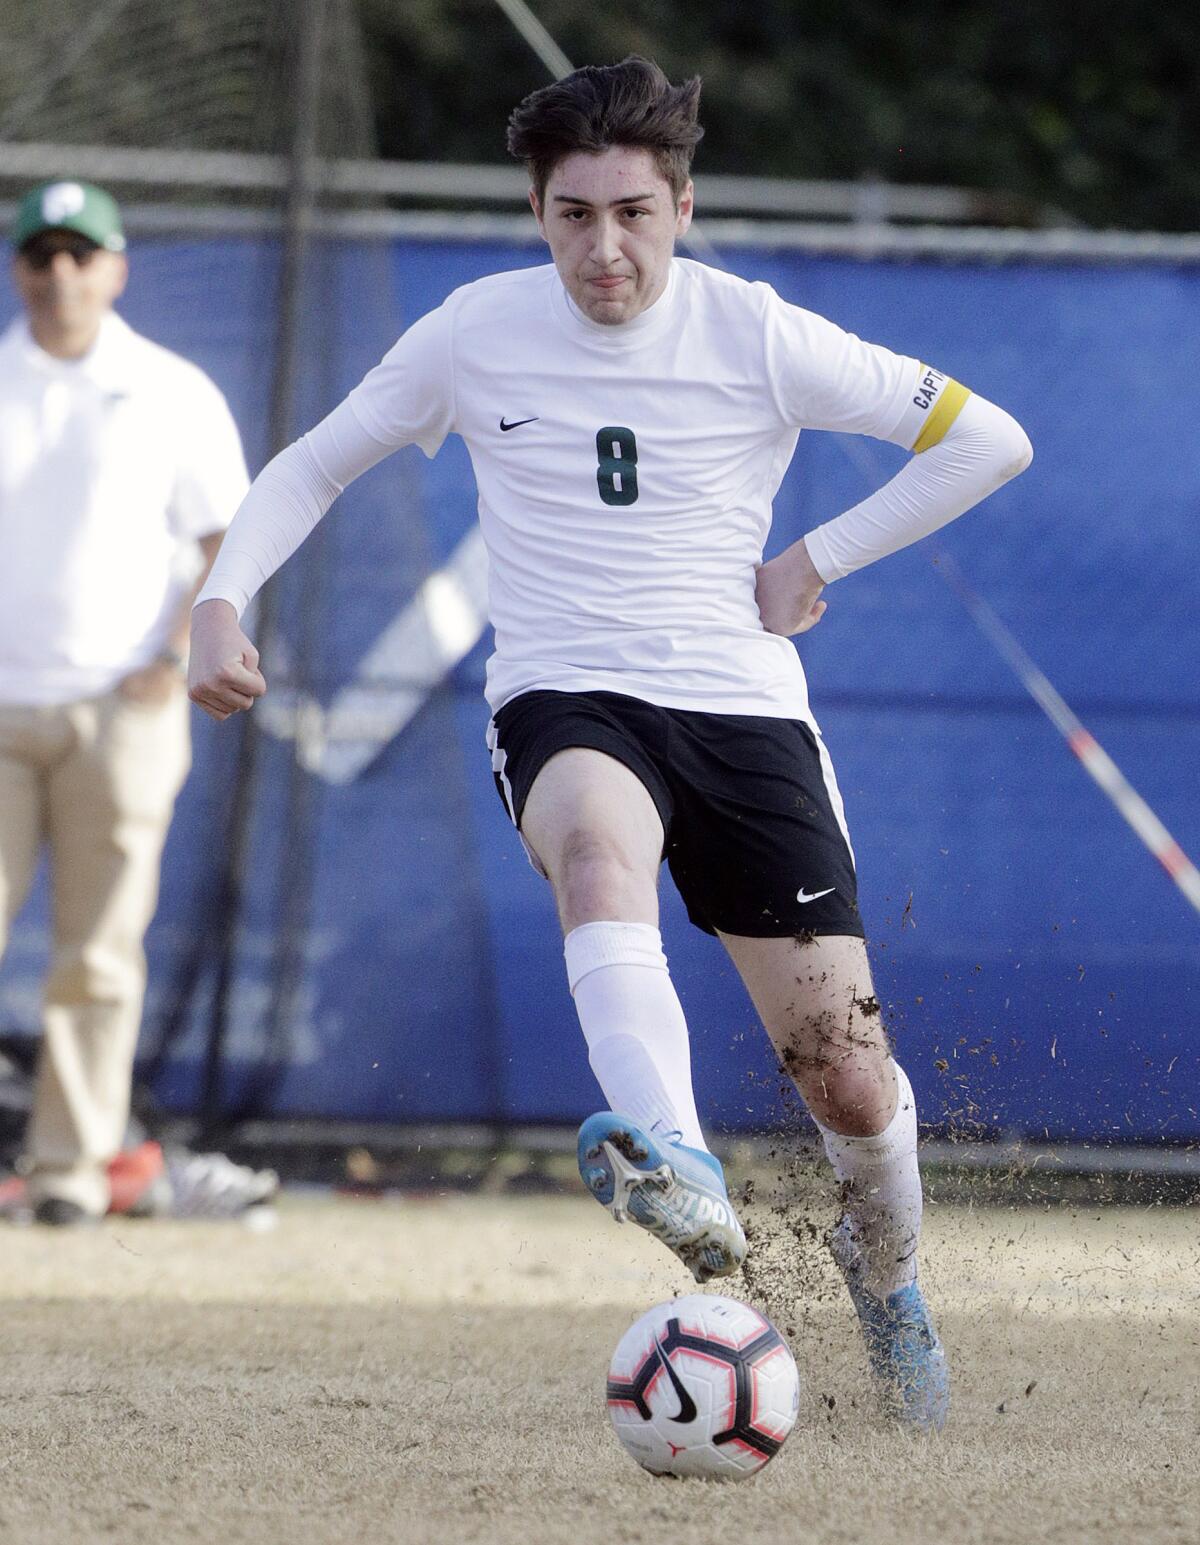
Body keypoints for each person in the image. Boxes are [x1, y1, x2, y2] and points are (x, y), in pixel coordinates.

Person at [189, 58, 1032, 1429]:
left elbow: (988, 439)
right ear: (537, 213)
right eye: (573, 215)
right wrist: (220, 602)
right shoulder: (473, 333)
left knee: (852, 1077)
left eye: (633, 212)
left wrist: (818, 554)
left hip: (747, 712)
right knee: (593, 850)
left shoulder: (759, 333)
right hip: (566, 696)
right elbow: (311, 464)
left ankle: (891, 1280)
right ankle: (681, 1165)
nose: (604, 247)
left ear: (682, 207)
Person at [0, 180, 252, 1225]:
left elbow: (224, 541)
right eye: (43, 252)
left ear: (116, 269)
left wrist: (169, 654)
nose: (61, 271)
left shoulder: (170, 388)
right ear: (20, 267)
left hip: (120, 708)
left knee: (99, 952)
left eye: (80, 252)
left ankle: (66, 1174)